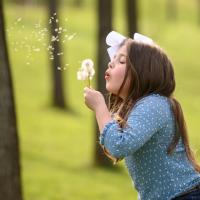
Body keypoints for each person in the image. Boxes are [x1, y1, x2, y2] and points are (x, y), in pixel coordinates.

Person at [83, 31, 200, 200]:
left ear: (142, 73)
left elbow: (118, 146)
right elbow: (115, 147)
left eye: (121, 60)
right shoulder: (139, 107)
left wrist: (100, 107)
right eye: (113, 59)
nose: (111, 63)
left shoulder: (153, 104)